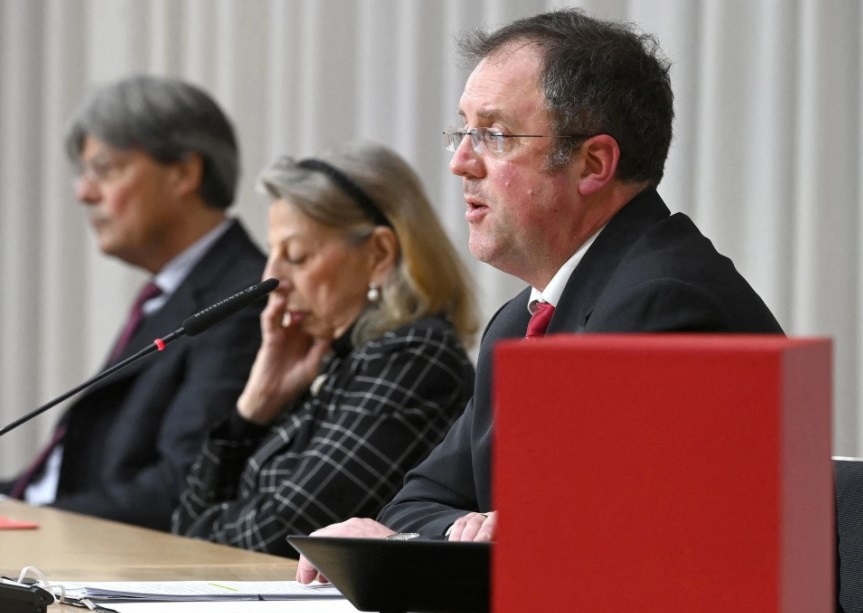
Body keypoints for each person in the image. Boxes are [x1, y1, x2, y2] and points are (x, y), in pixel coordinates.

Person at [297, 8, 784, 582]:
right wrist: (444, 534)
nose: (459, 163)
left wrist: (453, 538)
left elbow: (596, 558)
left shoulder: (664, 303)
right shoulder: (521, 321)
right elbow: (416, 504)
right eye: (463, 130)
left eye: (494, 136)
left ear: (593, 163)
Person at [171, 142, 478, 558]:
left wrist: (202, 533)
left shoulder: (415, 358)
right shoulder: (332, 357)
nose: (271, 279)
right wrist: (252, 410)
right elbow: (183, 529)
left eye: (295, 256)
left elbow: (280, 534)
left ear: (379, 254)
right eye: (272, 254)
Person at [0, 75, 266, 531]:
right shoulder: (169, 291)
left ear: (184, 173)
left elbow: (180, 483)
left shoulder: (239, 297)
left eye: (105, 169)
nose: (83, 193)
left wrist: (38, 520)